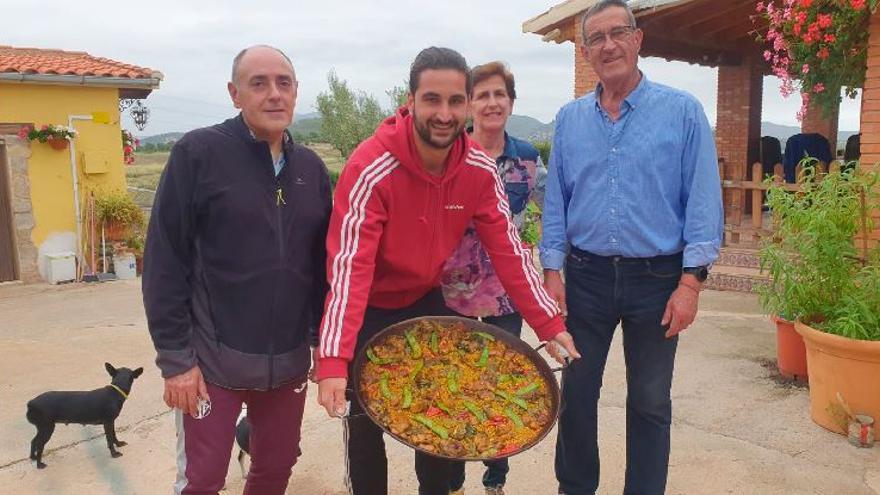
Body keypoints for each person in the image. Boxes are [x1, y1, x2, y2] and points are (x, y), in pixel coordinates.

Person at [314, 47, 580, 495]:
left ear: (467, 104)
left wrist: (550, 324)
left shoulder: (477, 168)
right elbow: (348, 269)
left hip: (425, 298)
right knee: (362, 427)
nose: (444, 113)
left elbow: (510, 251)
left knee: (441, 414)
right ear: (411, 99)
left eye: (455, 101)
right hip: (369, 307)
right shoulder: (370, 167)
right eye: (432, 99)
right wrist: (333, 360)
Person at [539, 1, 724, 494]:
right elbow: (556, 201)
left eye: (618, 32)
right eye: (596, 38)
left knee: (649, 400)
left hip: (657, 280)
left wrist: (691, 283)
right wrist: (552, 271)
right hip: (585, 278)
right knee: (576, 392)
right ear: (586, 51)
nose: (609, 45)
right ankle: (575, 488)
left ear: (638, 40)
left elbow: (703, 205)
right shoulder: (569, 119)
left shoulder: (682, 112)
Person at [142, 45, 331, 495]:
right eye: (258, 83)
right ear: (234, 93)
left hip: (287, 364)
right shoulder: (199, 154)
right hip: (211, 363)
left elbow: (324, 268)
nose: (273, 94)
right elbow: (164, 260)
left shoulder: (311, 170)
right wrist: (176, 361)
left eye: (283, 83)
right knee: (202, 481)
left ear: (296, 92)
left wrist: (325, 342)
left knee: (274, 470)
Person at [442, 61, 546, 495]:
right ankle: (450, 478)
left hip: (506, 297)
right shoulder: (449, 154)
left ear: (511, 102)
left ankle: (494, 478)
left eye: (498, 94)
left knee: (498, 383)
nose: (491, 103)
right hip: (451, 294)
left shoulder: (526, 157)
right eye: (481, 95)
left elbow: (555, 207)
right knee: (453, 384)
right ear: (468, 105)